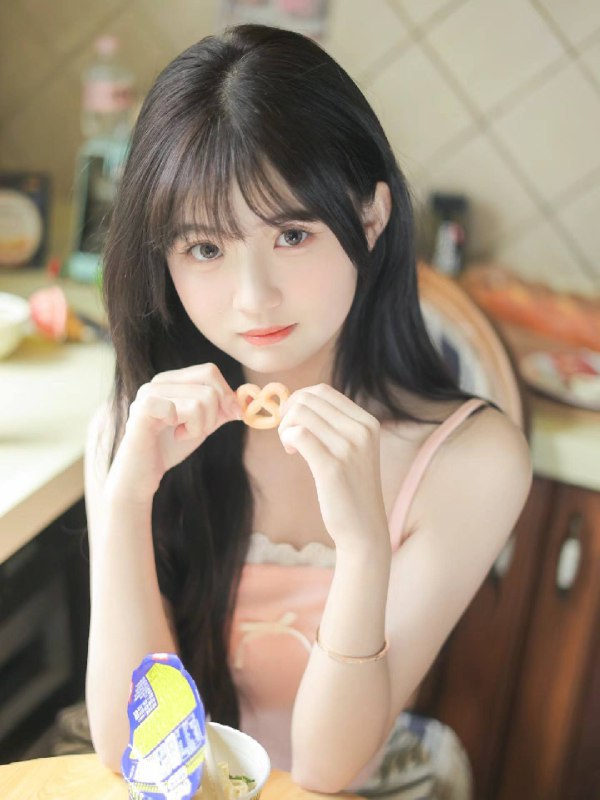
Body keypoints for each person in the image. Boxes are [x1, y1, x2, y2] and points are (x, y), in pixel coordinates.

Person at [84, 23, 532, 799]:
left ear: (370, 217)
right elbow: (131, 754)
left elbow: (329, 769)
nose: (254, 298)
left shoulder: (472, 462)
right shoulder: (139, 427)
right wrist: (126, 500)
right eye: (205, 248)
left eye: (291, 234)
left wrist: (362, 546)